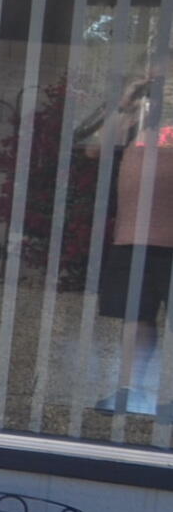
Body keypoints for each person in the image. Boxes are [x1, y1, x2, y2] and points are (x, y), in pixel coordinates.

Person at [92, 73, 173, 415]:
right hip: (133, 237)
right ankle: (130, 390)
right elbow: (97, 148)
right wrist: (126, 102)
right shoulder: (136, 124)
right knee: (134, 316)